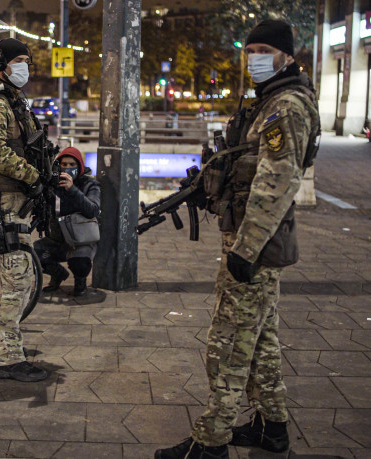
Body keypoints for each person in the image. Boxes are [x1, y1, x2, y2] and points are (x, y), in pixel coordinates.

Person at [156, 19, 320, 459]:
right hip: (250, 239)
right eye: (251, 51)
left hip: (255, 244)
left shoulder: (284, 107)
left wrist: (245, 250)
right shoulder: (269, 102)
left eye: (264, 50)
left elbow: (276, 183)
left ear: (287, 56)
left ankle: (211, 441)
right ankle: (272, 426)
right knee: (260, 336)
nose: (255, 59)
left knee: (228, 341)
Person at [0, 38, 49, 382]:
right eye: (18, 60)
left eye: (27, 61)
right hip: (4, 202)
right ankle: (9, 355)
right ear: (1, 64)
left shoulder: (13, 101)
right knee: (17, 278)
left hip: (11, 200)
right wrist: (33, 175)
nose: (25, 67)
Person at [34, 147, 100, 296]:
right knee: (32, 255)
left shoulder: (90, 185)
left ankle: (80, 282)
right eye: (64, 164)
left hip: (80, 240)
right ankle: (58, 274)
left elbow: (93, 210)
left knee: (80, 262)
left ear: (80, 166)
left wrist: (72, 190)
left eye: (72, 165)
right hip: (57, 240)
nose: (67, 168)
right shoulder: (53, 184)